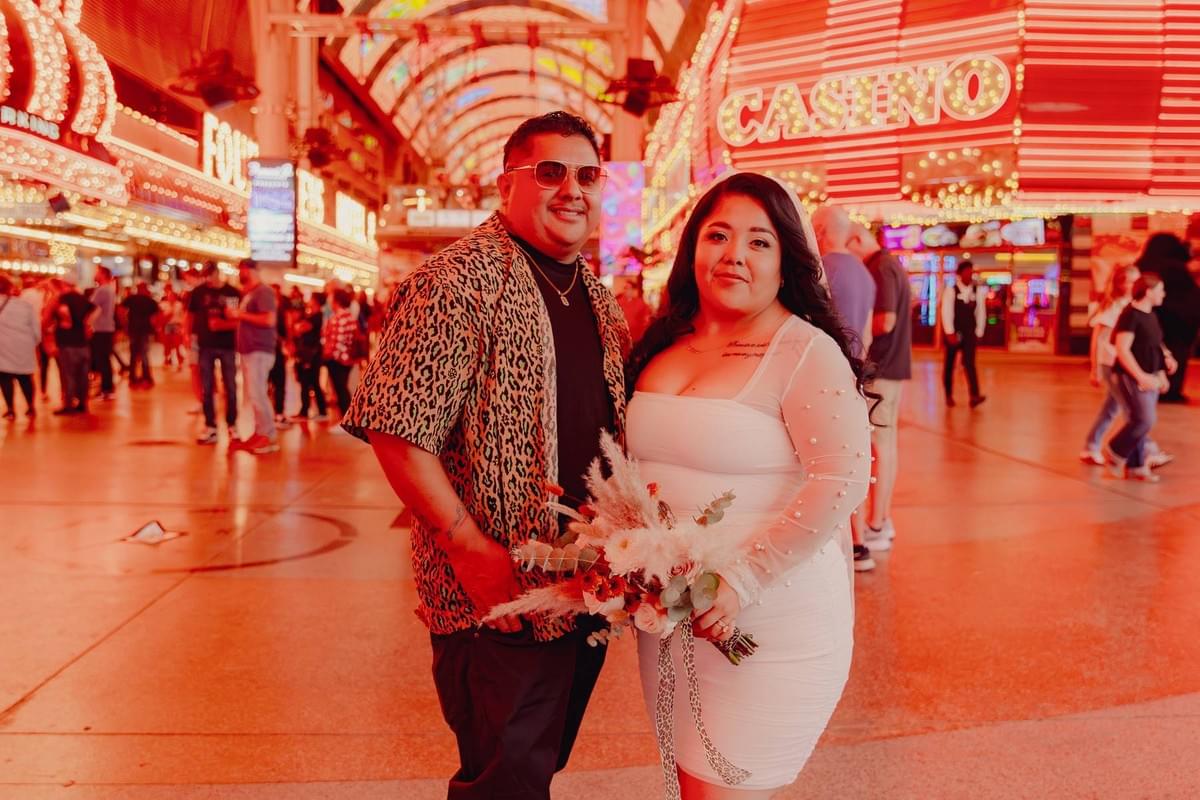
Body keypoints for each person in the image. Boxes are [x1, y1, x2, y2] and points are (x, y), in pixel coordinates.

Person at [341, 111, 629, 799]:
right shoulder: (455, 281)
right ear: (507, 185)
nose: (572, 190)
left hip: (580, 583)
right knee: (505, 779)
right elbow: (397, 429)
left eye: (588, 174)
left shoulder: (594, 296)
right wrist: (469, 547)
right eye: (549, 172)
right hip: (494, 589)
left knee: (535, 762)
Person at [625, 172, 870, 799]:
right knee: (690, 786)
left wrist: (741, 580)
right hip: (673, 618)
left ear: (786, 261)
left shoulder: (803, 351)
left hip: (770, 619)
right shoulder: (662, 344)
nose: (735, 254)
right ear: (693, 251)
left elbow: (840, 479)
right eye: (719, 235)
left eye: (760, 242)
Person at [811, 205, 874, 570]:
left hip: (826, 376)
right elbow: (866, 333)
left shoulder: (821, 271)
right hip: (857, 375)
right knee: (853, 458)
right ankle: (859, 539)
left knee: (825, 465)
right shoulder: (864, 273)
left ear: (819, 230)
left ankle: (836, 540)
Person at [848, 222, 912, 555]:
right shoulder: (891, 264)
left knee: (878, 446)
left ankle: (876, 523)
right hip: (893, 367)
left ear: (858, 239)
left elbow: (884, 320)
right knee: (885, 444)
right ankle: (882, 518)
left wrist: (855, 325)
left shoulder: (880, 267)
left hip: (882, 368)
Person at [1108, 274, 1175, 482]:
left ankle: (1136, 467)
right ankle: (1114, 451)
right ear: (1148, 292)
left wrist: (1163, 368)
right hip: (1132, 376)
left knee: (1139, 420)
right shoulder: (1130, 315)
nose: (1164, 294)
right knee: (1145, 420)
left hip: (1151, 374)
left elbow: (1155, 346)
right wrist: (1141, 376)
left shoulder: (1151, 316)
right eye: (1161, 290)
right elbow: (1122, 349)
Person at [1134, 233, 1199, 403]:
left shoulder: (1143, 265)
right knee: (1174, 358)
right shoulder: (1176, 268)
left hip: (1146, 320)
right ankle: (1170, 391)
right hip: (1178, 326)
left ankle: (1148, 386)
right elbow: (1190, 298)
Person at [226, 259, 279, 454]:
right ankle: (260, 432)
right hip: (250, 350)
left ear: (250, 270)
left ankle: (269, 436)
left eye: (242, 270)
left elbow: (269, 319)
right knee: (254, 395)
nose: (240, 274)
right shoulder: (250, 293)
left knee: (258, 395)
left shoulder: (264, 292)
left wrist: (239, 315)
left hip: (259, 349)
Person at [190, 262, 241, 445]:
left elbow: (237, 320)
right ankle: (210, 425)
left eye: (210, 276)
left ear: (218, 274)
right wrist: (189, 337)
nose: (208, 280)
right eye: (205, 276)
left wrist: (222, 324)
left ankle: (232, 424)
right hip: (205, 345)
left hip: (227, 345)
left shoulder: (232, 293)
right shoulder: (198, 293)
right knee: (207, 387)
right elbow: (192, 316)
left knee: (230, 386)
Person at [941, 260, 986, 407]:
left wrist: (979, 330)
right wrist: (949, 332)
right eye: (967, 272)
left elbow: (981, 312)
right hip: (954, 332)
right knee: (949, 365)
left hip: (969, 333)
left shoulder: (977, 291)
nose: (970, 274)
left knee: (970, 364)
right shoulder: (951, 290)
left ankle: (974, 396)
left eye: (971, 271)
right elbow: (946, 311)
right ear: (960, 274)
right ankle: (948, 395)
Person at [0, 274, 41, 419]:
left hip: (3, 348)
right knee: (25, 378)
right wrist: (33, 344)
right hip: (24, 347)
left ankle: (10, 409)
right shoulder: (24, 305)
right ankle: (31, 407)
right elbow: (36, 330)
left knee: (5, 379)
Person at [51, 279, 93, 415]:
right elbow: (95, 311)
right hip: (82, 342)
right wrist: (87, 326)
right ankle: (82, 403)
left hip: (67, 342)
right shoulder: (82, 299)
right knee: (82, 375)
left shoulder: (61, 300)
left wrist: (64, 323)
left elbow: (61, 317)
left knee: (68, 375)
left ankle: (68, 404)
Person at [321, 288, 359, 422]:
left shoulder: (337, 318)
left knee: (340, 390)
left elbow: (336, 341)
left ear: (336, 301)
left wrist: (328, 355)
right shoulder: (349, 317)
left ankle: (346, 421)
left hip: (338, 360)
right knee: (343, 389)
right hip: (348, 358)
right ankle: (348, 420)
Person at [290, 293, 328, 421]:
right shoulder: (312, 315)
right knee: (309, 382)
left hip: (311, 354)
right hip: (309, 353)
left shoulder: (316, 316)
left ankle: (313, 411)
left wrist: (298, 326)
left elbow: (300, 329)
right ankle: (312, 410)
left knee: (310, 382)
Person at [121, 282, 160, 388]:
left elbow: (121, 310)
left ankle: (132, 378)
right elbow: (156, 317)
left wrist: (124, 325)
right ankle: (146, 377)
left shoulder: (131, 299)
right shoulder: (150, 301)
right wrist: (155, 328)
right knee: (144, 354)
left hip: (133, 329)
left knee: (134, 355)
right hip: (144, 330)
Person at [88, 266, 117, 400]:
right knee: (103, 359)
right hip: (106, 328)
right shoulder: (109, 289)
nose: (95, 275)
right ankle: (107, 388)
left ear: (103, 275)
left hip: (101, 329)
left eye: (97, 272)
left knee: (102, 360)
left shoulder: (102, 290)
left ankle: (106, 389)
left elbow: (90, 307)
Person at [160, 283, 187, 369]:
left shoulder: (179, 305)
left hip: (176, 325)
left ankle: (179, 360)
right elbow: (161, 317)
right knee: (167, 344)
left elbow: (183, 316)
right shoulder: (164, 304)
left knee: (177, 343)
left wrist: (182, 326)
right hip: (167, 325)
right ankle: (167, 359)